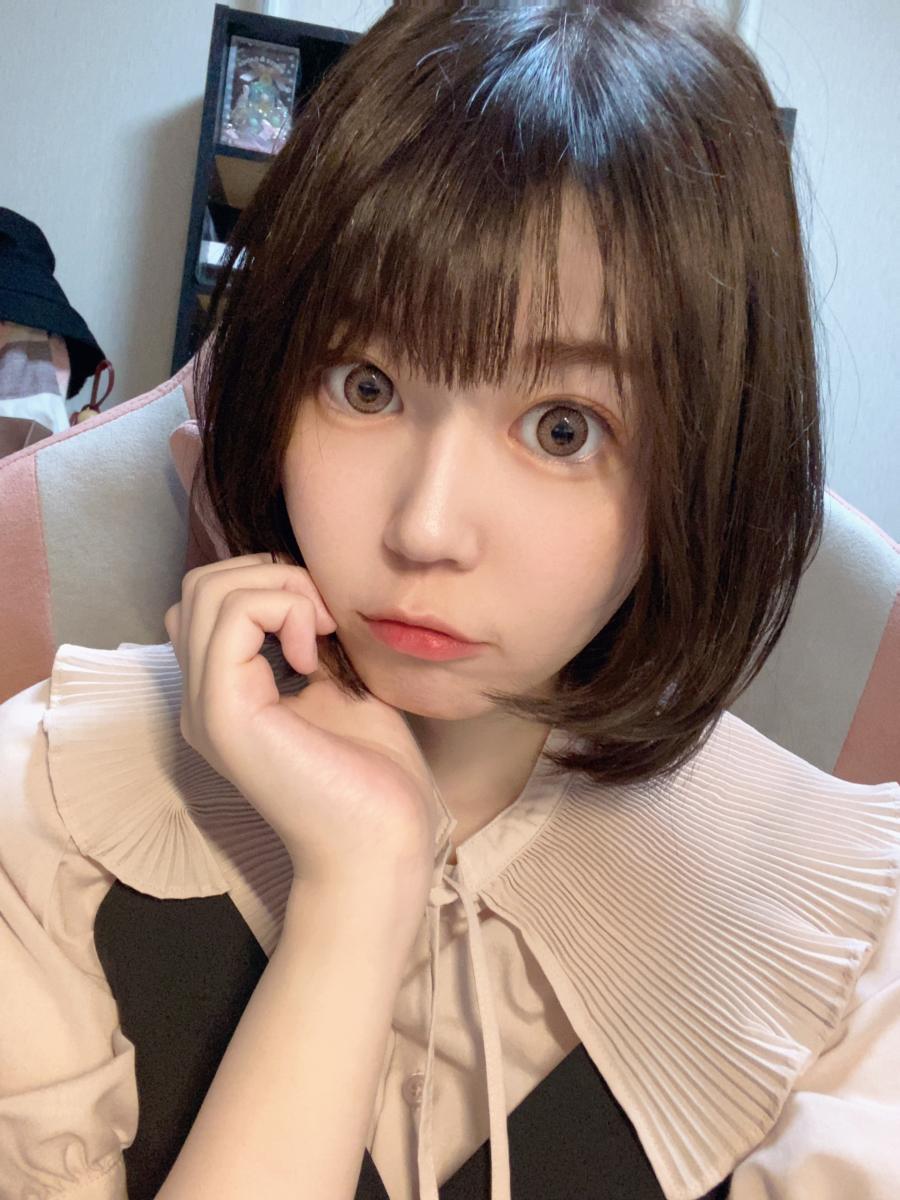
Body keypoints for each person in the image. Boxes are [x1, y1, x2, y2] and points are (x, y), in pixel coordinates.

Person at [1, 2, 899, 1198]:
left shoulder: (855, 933)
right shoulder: (43, 801)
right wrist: (357, 891)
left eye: (564, 428)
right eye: (366, 385)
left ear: (707, 464)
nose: (424, 528)